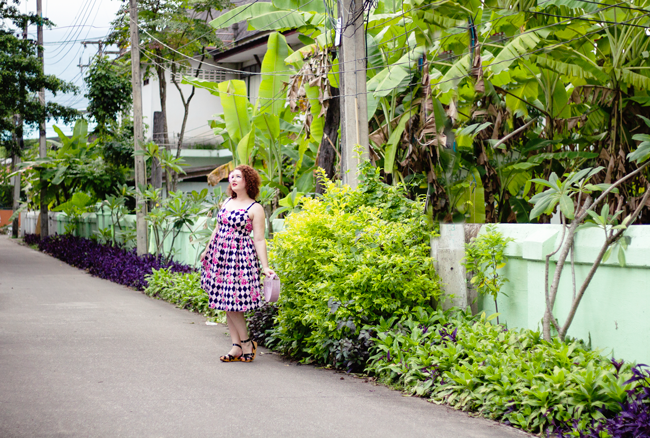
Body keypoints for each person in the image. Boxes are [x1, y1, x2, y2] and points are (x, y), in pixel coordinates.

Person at [200, 165, 276, 363]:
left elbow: (259, 239)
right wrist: (207, 250)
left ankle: (246, 342)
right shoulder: (227, 202)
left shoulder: (255, 208)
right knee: (225, 300)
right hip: (220, 256)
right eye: (231, 177)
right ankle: (236, 346)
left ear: (248, 181)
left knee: (234, 302)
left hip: (240, 257)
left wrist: (265, 266)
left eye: (238, 177)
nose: (233, 180)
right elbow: (217, 229)